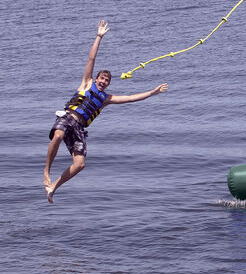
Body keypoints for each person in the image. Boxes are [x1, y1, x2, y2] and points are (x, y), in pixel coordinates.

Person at [44, 20, 168, 202]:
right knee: (58, 136)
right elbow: (91, 58)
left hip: (79, 128)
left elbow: (131, 98)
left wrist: (152, 92)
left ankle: (54, 186)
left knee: (80, 164)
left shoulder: (106, 99)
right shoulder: (87, 83)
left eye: (107, 81)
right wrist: (99, 36)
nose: (103, 82)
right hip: (68, 118)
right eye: (102, 79)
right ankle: (46, 172)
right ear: (96, 79)